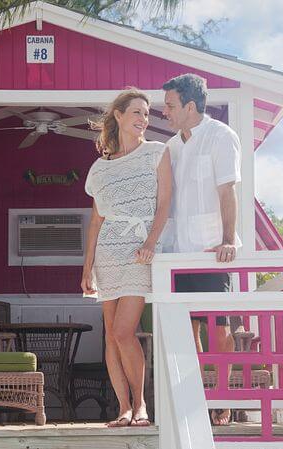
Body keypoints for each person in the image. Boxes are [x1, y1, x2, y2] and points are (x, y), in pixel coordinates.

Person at [81, 88, 173, 427]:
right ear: (118, 116)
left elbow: (164, 204)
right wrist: (87, 265)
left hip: (139, 251)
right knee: (110, 333)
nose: (143, 119)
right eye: (136, 112)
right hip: (108, 252)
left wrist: (150, 242)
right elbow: (96, 221)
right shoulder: (99, 168)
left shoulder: (156, 153)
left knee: (123, 331)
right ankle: (123, 407)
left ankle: (141, 405)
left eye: (147, 114)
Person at [161, 74, 242, 425]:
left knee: (218, 329)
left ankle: (223, 399)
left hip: (210, 250)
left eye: (170, 105)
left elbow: (228, 192)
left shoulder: (221, 137)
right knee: (188, 330)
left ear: (190, 107)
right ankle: (196, 397)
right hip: (179, 253)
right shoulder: (172, 147)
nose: (164, 111)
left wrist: (227, 239)